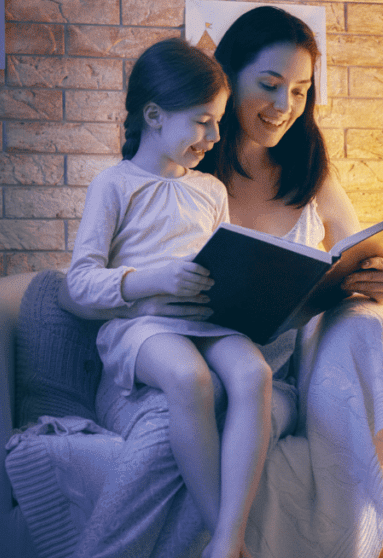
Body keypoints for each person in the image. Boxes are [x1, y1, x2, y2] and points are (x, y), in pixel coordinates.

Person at [62, 6, 383, 558]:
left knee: (242, 382)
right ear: (227, 82)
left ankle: (231, 540)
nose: (285, 106)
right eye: (270, 85)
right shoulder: (181, 168)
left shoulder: (305, 171)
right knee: (179, 410)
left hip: (253, 362)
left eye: (302, 91)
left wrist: (381, 285)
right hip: (163, 349)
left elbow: (351, 257)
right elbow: (96, 279)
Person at [64, 37, 270, 558]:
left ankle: (229, 534)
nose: (215, 135)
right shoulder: (114, 185)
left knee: (255, 374)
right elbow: (80, 282)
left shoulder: (211, 190)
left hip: (207, 320)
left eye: (218, 121)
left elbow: (227, 258)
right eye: (203, 121)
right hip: (143, 325)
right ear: (155, 115)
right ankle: (226, 540)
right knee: (188, 378)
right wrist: (152, 280)